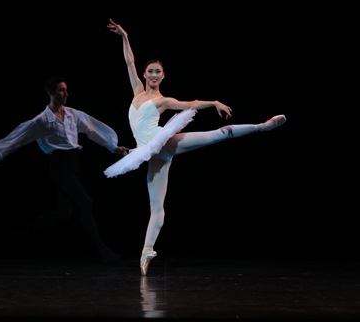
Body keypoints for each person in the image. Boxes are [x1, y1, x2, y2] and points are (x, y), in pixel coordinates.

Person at [105, 18, 287, 275]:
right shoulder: (137, 91)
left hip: (163, 141)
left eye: (159, 71)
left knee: (216, 135)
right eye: (151, 71)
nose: (154, 75)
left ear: (163, 76)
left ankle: (261, 126)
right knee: (156, 206)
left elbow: (190, 103)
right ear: (145, 75)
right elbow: (129, 61)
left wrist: (213, 102)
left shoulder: (162, 100)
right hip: (150, 152)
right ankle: (146, 251)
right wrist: (124, 36)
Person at [0, 76, 129, 261]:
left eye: (66, 90)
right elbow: (19, 138)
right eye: (60, 90)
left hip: (74, 164)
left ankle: (18, 236)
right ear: (50, 92)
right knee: (86, 203)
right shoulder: (43, 120)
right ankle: (101, 249)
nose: (65, 93)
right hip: (59, 166)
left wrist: (113, 147)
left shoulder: (73, 115)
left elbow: (93, 130)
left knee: (64, 213)